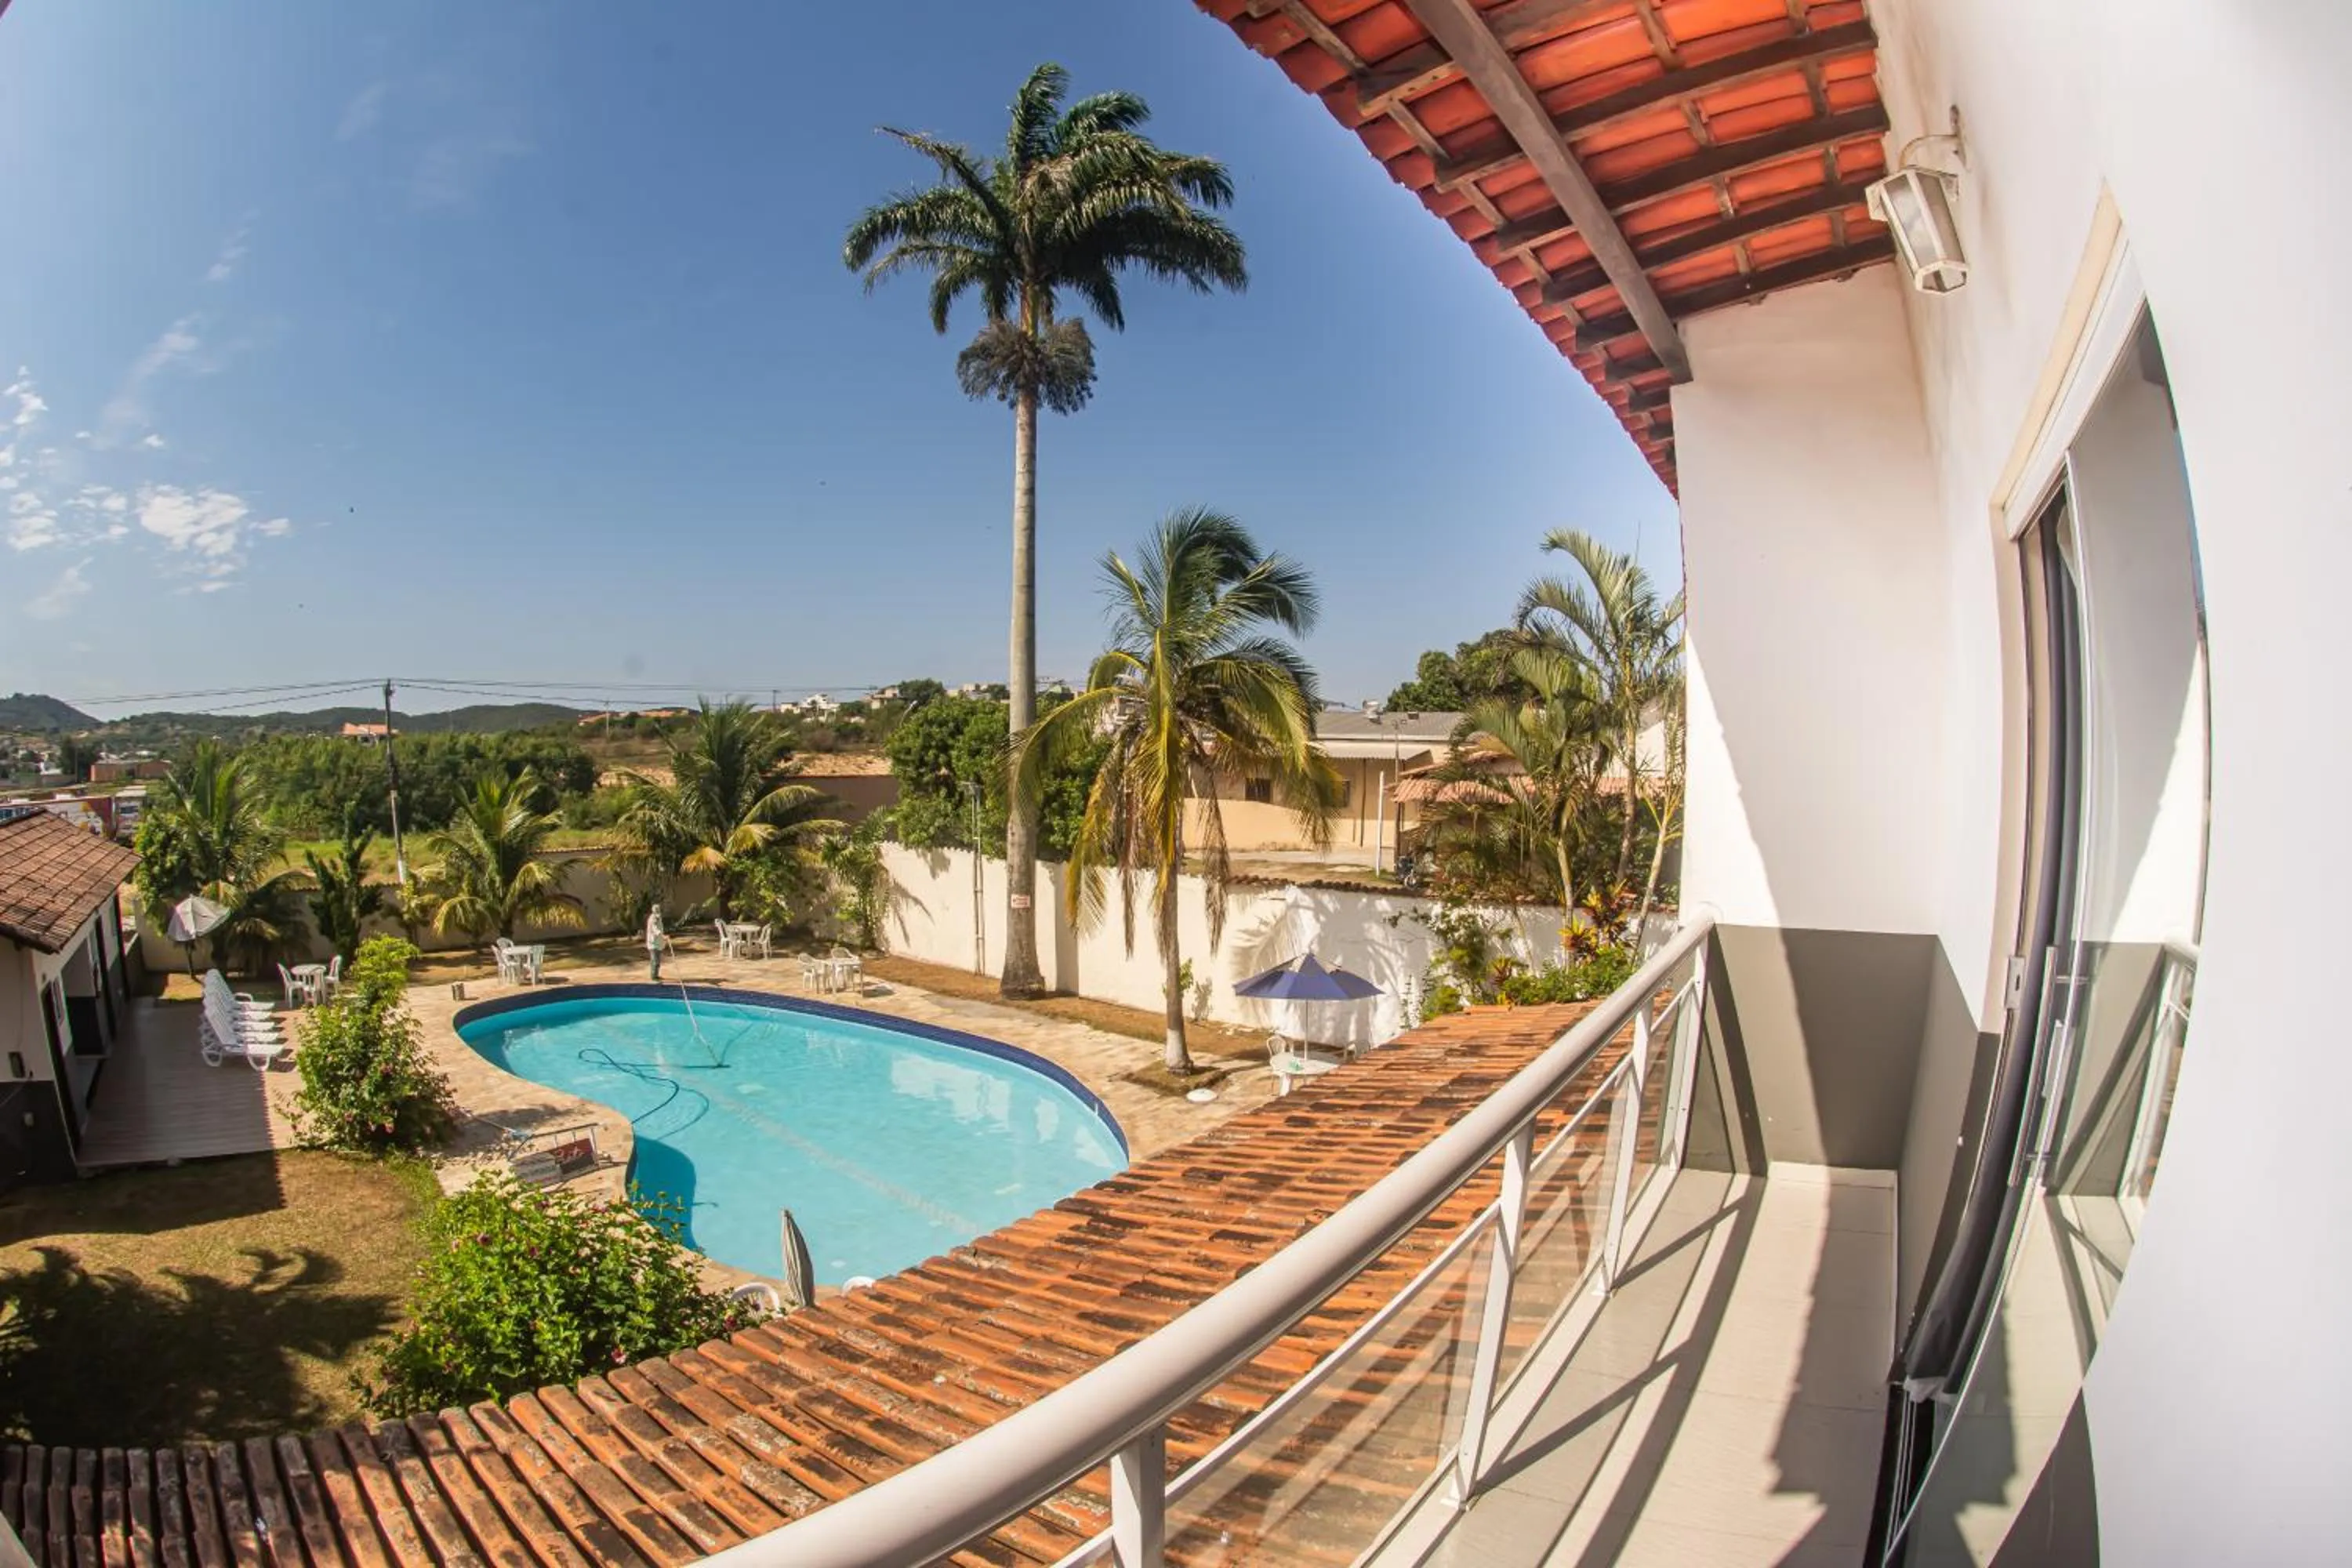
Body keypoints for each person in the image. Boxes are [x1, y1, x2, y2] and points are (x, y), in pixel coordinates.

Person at [645, 903, 667, 982]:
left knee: (657, 961)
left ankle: (656, 975)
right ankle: (653, 977)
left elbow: (660, 929)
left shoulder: (659, 918)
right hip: (653, 944)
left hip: (658, 943)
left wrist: (663, 938)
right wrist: (663, 936)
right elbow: (655, 929)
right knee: (655, 960)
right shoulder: (652, 919)